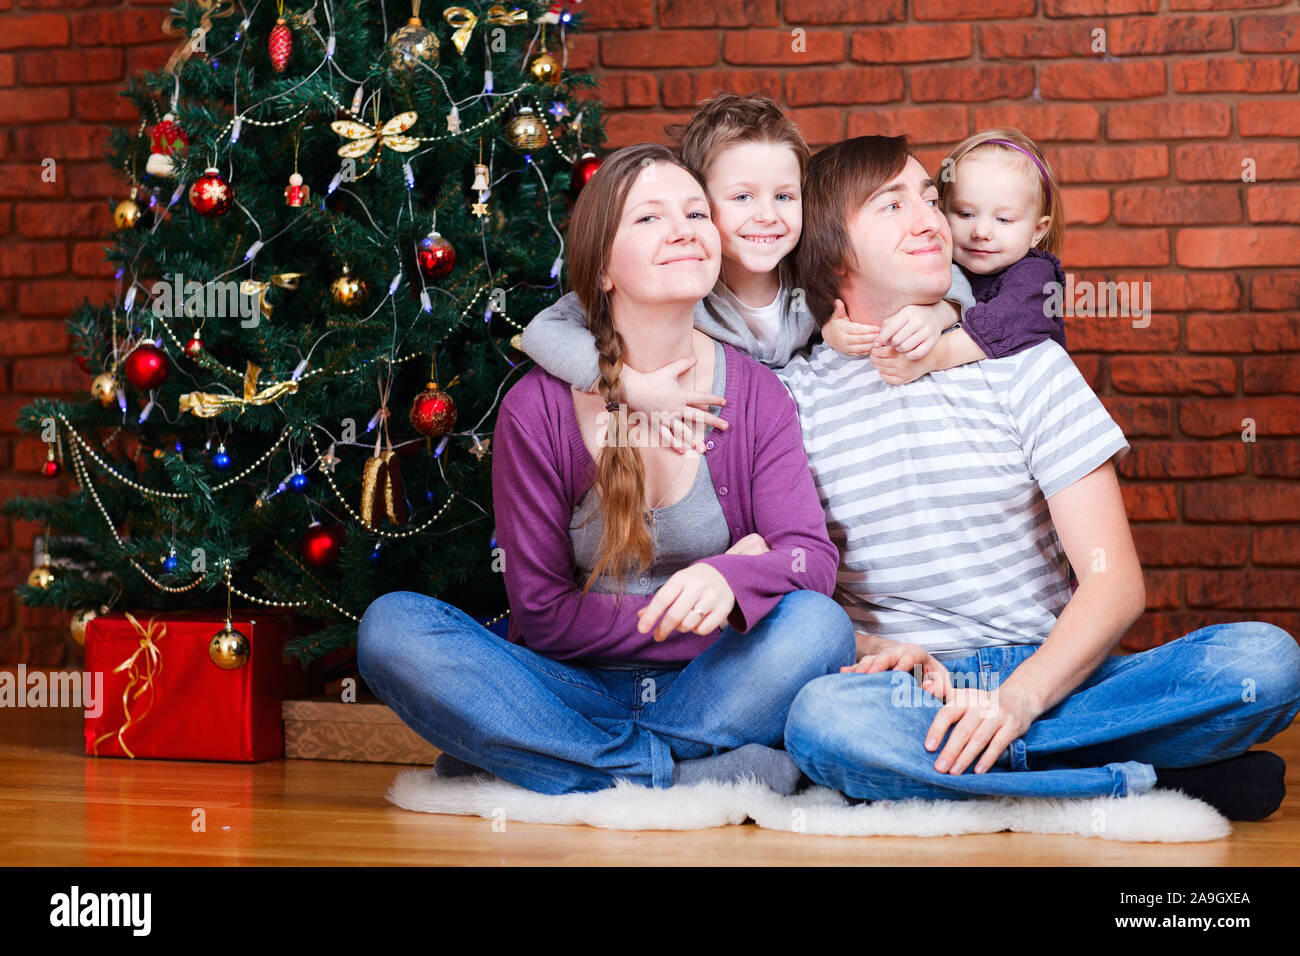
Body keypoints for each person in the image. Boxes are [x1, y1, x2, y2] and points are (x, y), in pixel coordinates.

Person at [778, 134, 1300, 821]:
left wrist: (1018, 699)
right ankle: (1129, 783)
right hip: (914, 694)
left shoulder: (1025, 363)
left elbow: (1115, 585)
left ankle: (994, 771)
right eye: (892, 204)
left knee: (1264, 664)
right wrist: (872, 647)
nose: (931, 219)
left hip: (1057, 676)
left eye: (932, 200)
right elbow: (789, 588)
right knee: (822, 721)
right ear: (828, 249)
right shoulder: (792, 401)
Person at [357, 143, 854, 797]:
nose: (682, 230)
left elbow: (809, 564)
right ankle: (672, 773)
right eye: (648, 219)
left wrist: (729, 575)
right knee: (391, 629)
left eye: (696, 214)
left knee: (821, 627)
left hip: (717, 681)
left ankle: (555, 758)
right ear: (604, 271)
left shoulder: (756, 393)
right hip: (567, 684)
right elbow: (541, 615)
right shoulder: (538, 408)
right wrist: (706, 597)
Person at [520, 92, 973, 454]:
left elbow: (937, 272)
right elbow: (543, 331)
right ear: (697, 200)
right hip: (713, 451)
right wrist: (631, 387)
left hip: (798, 450)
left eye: (783, 196)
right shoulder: (683, 287)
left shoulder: (811, 267)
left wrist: (938, 314)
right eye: (742, 198)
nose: (767, 217)